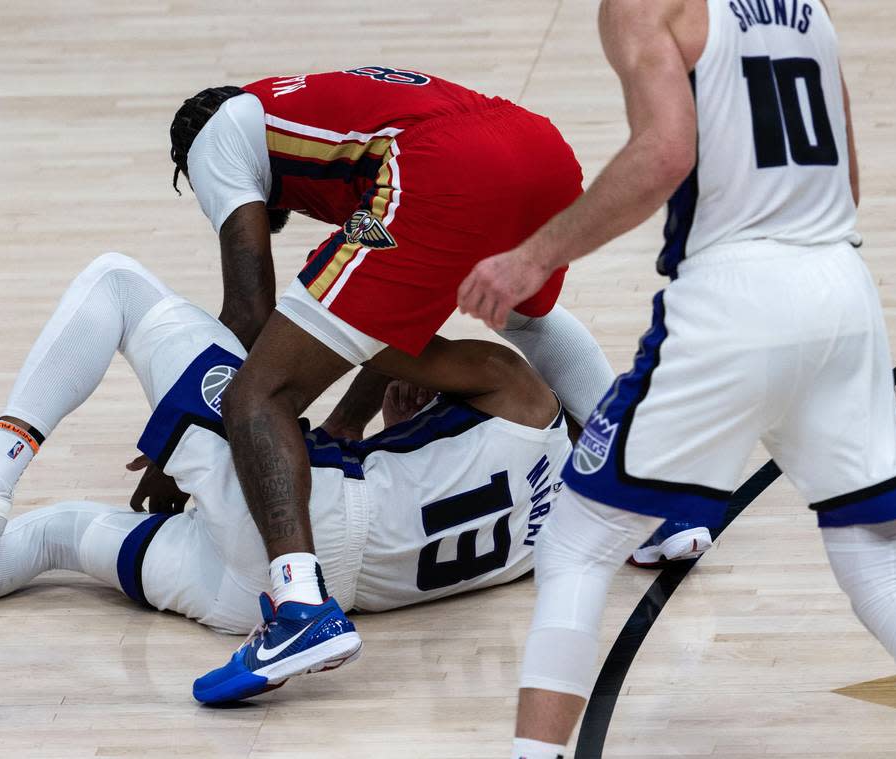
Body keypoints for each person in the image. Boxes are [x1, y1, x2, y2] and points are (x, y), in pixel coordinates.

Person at [457, 2, 896, 757]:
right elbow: (849, 177)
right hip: (841, 286)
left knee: (578, 543)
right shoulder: (812, 6)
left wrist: (531, 257)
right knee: (884, 559)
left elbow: (666, 152)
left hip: (733, 300)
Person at [0, 252, 575, 703]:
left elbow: (346, 332)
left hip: (299, 531)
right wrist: (385, 421)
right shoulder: (551, 536)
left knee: (117, 284)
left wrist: (381, 255)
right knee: (58, 534)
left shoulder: (516, 382)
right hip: (259, 596)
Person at [169, 68, 606, 690]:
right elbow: (393, 315)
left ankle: (299, 610)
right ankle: (652, 495)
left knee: (258, 393)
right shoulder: (322, 119)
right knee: (525, 321)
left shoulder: (216, 134)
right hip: (539, 152)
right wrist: (347, 422)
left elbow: (248, 311)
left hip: (443, 167)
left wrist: (178, 440)